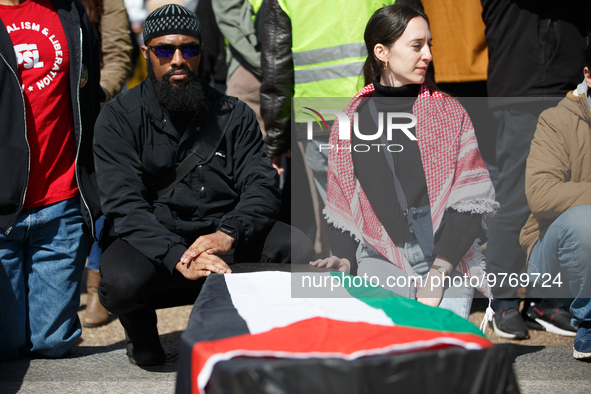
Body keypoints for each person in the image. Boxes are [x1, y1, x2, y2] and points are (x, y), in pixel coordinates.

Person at [93, 4, 313, 366]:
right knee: (120, 281)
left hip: (221, 235)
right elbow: (124, 207)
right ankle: (142, 335)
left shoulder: (234, 113)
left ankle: (261, 328)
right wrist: (177, 254)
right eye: (165, 50)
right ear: (147, 53)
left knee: (297, 247)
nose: (178, 59)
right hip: (155, 244)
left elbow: (262, 186)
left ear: (201, 52)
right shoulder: (118, 118)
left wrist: (229, 232)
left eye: (189, 49)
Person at [311, 5, 497, 319]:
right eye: (416, 46)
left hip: (446, 259)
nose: (428, 55)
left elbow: (469, 202)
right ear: (382, 52)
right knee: (388, 344)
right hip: (379, 258)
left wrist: (438, 273)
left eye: (429, 45)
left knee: (441, 346)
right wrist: (343, 260)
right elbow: (342, 203)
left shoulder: (451, 114)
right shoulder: (349, 122)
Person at [0, 0, 103, 361]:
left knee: (52, 342)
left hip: (61, 202)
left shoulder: (67, 11)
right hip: (4, 209)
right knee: (8, 345)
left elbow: (91, 93)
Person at [481, 0, 589, 339]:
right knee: (517, 199)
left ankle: (548, 300)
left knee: (566, 198)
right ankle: (504, 299)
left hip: (567, 80)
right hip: (522, 84)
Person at [519, 46, 591, 360]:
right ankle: (588, 325)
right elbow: (541, 194)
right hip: (552, 253)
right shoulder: (557, 120)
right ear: (588, 75)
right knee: (585, 222)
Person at [80, 0, 133, 328]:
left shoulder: (106, 2)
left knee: (101, 197)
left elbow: (117, 53)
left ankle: (97, 287)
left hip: (92, 107)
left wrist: (95, 95)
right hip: (39, 110)